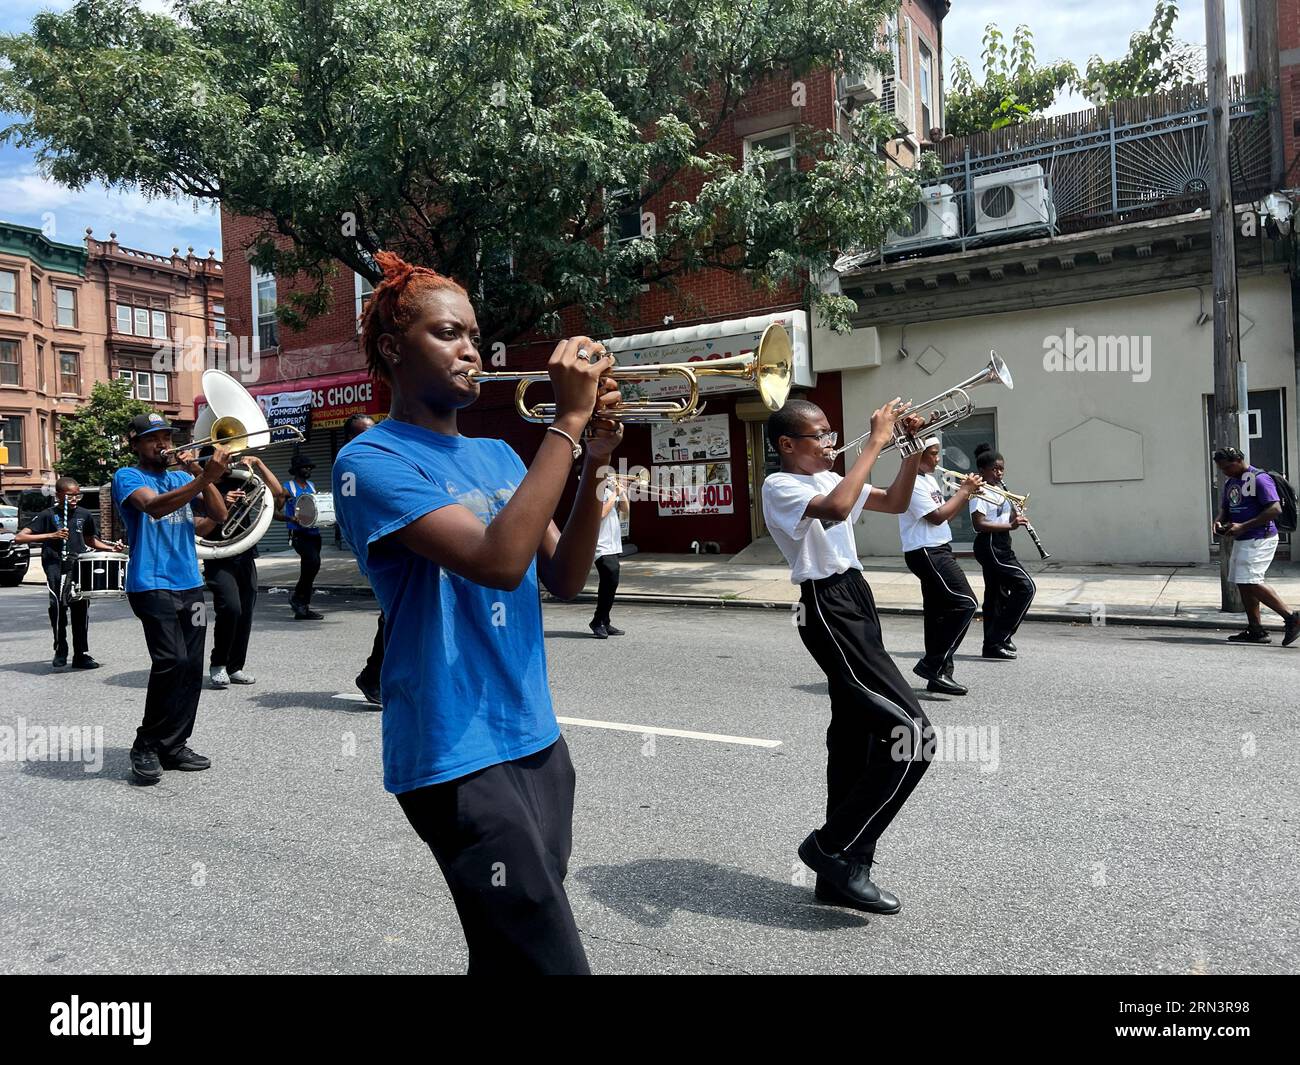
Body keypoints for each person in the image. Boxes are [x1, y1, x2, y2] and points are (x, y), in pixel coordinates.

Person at [333, 250, 622, 974]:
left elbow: (563, 576)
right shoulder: (369, 460)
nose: (471, 350)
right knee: (553, 962)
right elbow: (497, 561)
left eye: (474, 334)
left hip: (535, 735)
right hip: (452, 752)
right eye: (447, 333)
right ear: (395, 349)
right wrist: (570, 421)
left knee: (508, 952)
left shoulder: (498, 453)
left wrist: (596, 455)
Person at [761, 397, 933, 915]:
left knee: (855, 741)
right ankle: (831, 848)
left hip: (856, 596)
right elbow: (837, 512)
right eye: (821, 436)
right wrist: (875, 441)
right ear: (788, 444)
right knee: (913, 735)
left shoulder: (828, 478)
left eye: (834, 433)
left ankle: (842, 874)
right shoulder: (780, 485)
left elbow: (897, 504)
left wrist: (907, 452)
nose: (833, 443)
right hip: (828, 605)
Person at [112, 413, 230, 783]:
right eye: (152, 438)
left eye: (165, 436)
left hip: (189, 584)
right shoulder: (127, 477)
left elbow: (218, 514)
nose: (162, 444)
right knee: (171, 660)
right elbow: (154, 507)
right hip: (151, 583)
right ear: (135, 444)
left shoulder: (183, 476)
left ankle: (173, 745)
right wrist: (206, 478)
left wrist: (198, 471)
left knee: (192, 666)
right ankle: (146, 744)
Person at [899, 440, 983, 696]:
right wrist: (965, 492)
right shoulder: (911, 481)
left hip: (938, 547)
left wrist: (966, 495)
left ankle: (941, 675)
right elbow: (935, 517)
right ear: (918, 455)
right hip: (926, 550)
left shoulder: (929, 479)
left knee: (939, 614)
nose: (937, 459)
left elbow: (945, 514)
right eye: (933, 454)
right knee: (966, 603)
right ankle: (932, 665)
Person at [16, 476, 124, 669]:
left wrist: (110, 549)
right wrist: (52, 535)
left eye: (77, 495)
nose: (74, 499)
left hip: (78, 565)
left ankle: (81, 654)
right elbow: (20, 537)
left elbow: (90, 540)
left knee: (80, 609)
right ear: (59, 495)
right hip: (55, 565)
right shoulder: (48, 515)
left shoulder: (84, 514)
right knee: (57, 607)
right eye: (70, 496)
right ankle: (60, 648)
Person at [204, 455, 286, 688]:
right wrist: (222, 500)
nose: (226, 461)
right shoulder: (201, 483)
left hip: (244, 551)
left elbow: (278, 494)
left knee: (246, 611)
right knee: (230, 608)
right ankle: (218, 663)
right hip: (216, 553)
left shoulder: (241, 479)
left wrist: (259, 464)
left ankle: (235, 666)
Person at [1212, 446, 1300, 646]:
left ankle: (1291, 617)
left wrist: (1243, 526)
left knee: (1251, 580)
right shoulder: (1232, 481)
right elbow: (1226, 509)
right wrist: (1218, 522)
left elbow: (1274, 509)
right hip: (1243, 539)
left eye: (1226, 467)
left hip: (1260, 537)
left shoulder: (1260, 478)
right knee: (1242, 582)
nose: (1224, 472)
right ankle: (1255, 630)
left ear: (1237, 460)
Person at [969, 444, 1035, 659]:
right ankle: (1000, 636)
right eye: (995, 469)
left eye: (1001, 469)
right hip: (989, 545)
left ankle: (992, 644)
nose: (999, 473)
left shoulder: (1001, 491)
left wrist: (1015, 518)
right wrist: (1010, 526)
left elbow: (1002, 519)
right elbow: (979, 523)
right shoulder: (979, 491)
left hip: (1002, 543)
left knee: (997, 595)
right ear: (983, 471)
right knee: (1027, 587)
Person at [344, 413, 385, 705]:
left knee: (394, 618)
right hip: (376, 552)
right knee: (394, 617)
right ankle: (372, 677)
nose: (368, 437)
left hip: (392, 548)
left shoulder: (374, 459)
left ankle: (376, 676)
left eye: (371, 431)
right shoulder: (349, 467)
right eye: (361, 433)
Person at [284, 452, 324, 620]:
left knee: (311, 568)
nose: (308, 469)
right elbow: (273, 510)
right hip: (299, 534)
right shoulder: (288, 488)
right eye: (304, 467)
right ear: (296, 470)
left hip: (315, 533)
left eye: (309, 467)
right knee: (312, 563)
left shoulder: (312, 486)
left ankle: (301, 605)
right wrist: (290, 518)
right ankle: (299, 601)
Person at [590, 475, 629, 637]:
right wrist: (615, 494)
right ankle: (597, 621)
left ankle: (605, 621)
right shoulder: (594, 494)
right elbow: (601, 513)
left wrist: (621, 492)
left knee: (611, 585)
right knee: (609, 582)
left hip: (613, 546)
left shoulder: (608, 492)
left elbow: (626, 510)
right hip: (601, 546)